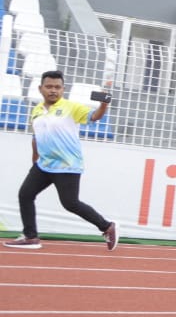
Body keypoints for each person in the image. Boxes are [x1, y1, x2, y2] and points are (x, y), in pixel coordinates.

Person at [6, 70, 116, 250]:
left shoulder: (71, 107)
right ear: (40, 89)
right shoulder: (36, 110)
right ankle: (31, 237)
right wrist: (35, 160)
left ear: (63, 89)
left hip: (67, 165)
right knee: (25, 194)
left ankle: (107, 226)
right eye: (49, 87)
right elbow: (36, 137)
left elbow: (94, 117)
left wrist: (103, 105)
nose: (53, 90)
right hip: (43, 165)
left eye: (57, 87)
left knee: (70, 203)